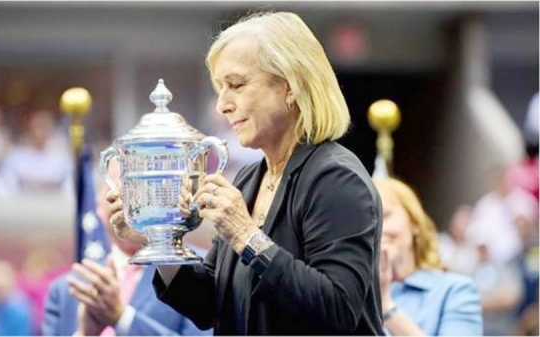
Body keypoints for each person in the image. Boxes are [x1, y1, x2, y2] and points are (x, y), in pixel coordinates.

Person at [107, 11, 384, 335]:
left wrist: (245, 235)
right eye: (220, 88)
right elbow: (208, 306)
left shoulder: (336, 179)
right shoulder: (250, 178)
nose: (222, 105)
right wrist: (157, 237)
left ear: (291, 86)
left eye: (236, 85)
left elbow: (337, 310)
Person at [43, 159, 208, 336]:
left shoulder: (201, 270)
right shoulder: (67, 291)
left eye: (141, 191)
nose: (129, 204)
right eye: (116, 192)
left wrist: (122, 319)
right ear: (98, 205)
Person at [374, 178, 483, 335]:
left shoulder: (454, 291)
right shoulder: (353, 294)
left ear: (415, 223)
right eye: (368, 220)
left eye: (385, 215)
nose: (376, 228)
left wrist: (386, 307)